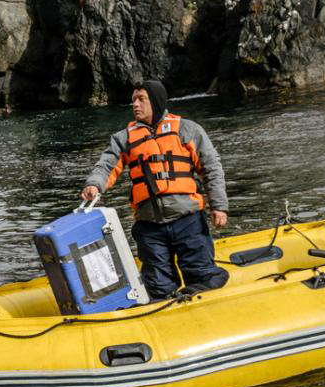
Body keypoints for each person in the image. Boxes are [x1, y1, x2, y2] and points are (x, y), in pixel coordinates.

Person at [80, 79, 230, 300]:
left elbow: (211, 168)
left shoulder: (187, 130)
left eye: (142, 100)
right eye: (133, 100)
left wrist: (219, 207)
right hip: (150, 227)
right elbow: (107, 164)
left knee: (202, 277)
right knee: (158, 287)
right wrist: (94, 184)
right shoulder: (124, 138)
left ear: (157, 101)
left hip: (188, 220)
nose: (135, 105)